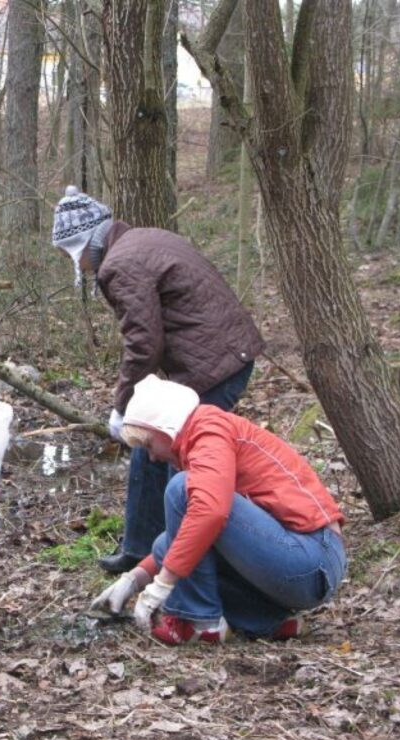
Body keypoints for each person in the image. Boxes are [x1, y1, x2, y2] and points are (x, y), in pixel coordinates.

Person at [50, 186, 265, 574]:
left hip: (215, 365)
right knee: (147, 442)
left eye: (73, 257)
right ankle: (140, 550)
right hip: (222, 356)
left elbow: (143, 344)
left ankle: (183, 569)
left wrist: (121, 406)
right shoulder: (142, 239)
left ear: (83, 246)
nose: (79, 267)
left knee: (180, 468)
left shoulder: (119, 264)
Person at [90, 374, 347, 645]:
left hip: (313, 559)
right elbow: (186, 536)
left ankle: (200, 622)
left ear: (165, 427)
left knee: (183, 491)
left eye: (149, 445)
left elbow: (210, 511)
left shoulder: (208, 429)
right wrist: (134, 580)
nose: (152, 456)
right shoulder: (204, 431)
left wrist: (163, 584)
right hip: (307, 564)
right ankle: (268, 620)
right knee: (165, 545)